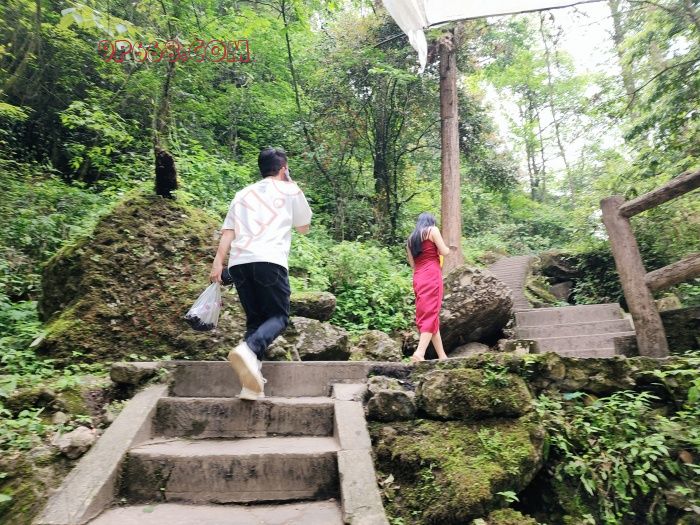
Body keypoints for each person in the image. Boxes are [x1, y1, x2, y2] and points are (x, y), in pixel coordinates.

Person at [209, 147, 312, 400]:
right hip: (269, 260)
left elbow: (229, 232)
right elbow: (304, 227)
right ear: (284, 168)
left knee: (256, 322)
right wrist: (292, 185)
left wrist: (218, 263)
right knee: (279, 317)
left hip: (239, 264)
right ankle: (248, 349)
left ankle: (251, 387)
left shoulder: (242, 194)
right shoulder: (290, 190)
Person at [406, 212, 450, 363]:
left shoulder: (411, 239)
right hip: (432, 275)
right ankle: (420, 352)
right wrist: (447, 248)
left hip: (418, 277)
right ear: (431, 221)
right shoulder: (433, 230)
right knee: (431, 313)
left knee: (429, 314)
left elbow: (412, 264)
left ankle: (442, 356)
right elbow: (444, 251)